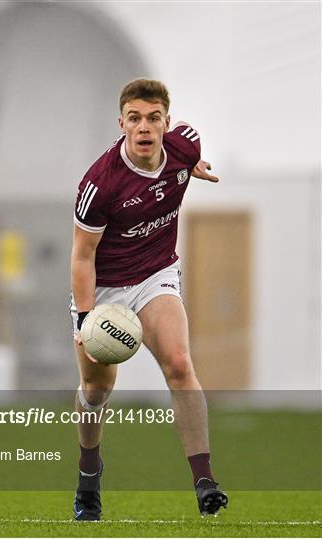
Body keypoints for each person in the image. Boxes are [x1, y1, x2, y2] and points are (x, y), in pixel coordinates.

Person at [70, 78, 228, 520]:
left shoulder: (186, 146)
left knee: (179, 363)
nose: (145, 127)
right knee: (97, 392)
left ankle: (204, 482)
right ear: (121, 123)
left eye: (153, 118)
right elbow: (81, 256)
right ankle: (88, 475)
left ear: (166, 123)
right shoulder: (99, 184)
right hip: (102, 286)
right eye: (135, 118)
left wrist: (188, 169)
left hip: (155, 275)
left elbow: (180, 163)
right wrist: (86, 318)